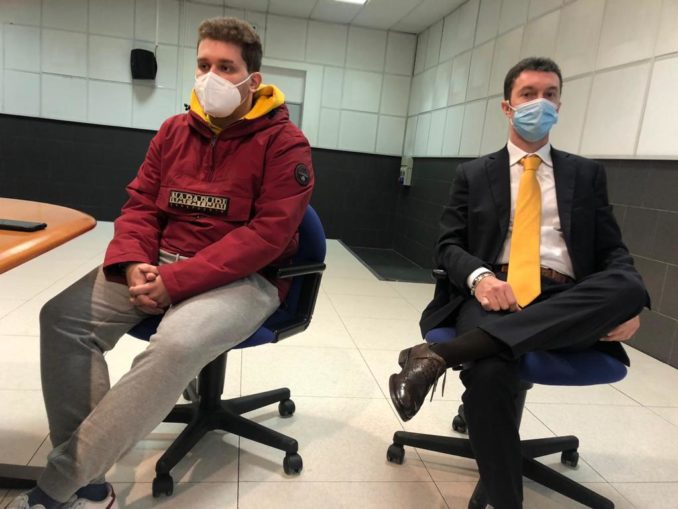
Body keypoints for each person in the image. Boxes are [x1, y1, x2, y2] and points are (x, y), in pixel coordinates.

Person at [7, 16, 314, 509]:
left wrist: (177, 281)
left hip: (243, 279)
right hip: (157, 264)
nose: (210, 77)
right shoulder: (174, 131)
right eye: (203, 64)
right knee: (63, 318)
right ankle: (91, 484)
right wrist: (133, 263)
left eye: (226, 67)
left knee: (175, 344)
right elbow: (140, 207)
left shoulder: (284, 143)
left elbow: (267, 236)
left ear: (252, 80)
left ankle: (59, 487)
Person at [388, 57, 648, 509]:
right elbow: (447, 245)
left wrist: (626, 308)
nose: (539, 103)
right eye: (528, 94)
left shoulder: (586, 174)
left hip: (566, 295)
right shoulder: (474, 173)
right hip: (494, 292)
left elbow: (613, 251)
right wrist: (480, 277)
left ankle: (442, 355)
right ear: (507, 106)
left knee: (630, 287)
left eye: (550, 94)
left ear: (559, 106)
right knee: (490, 372)